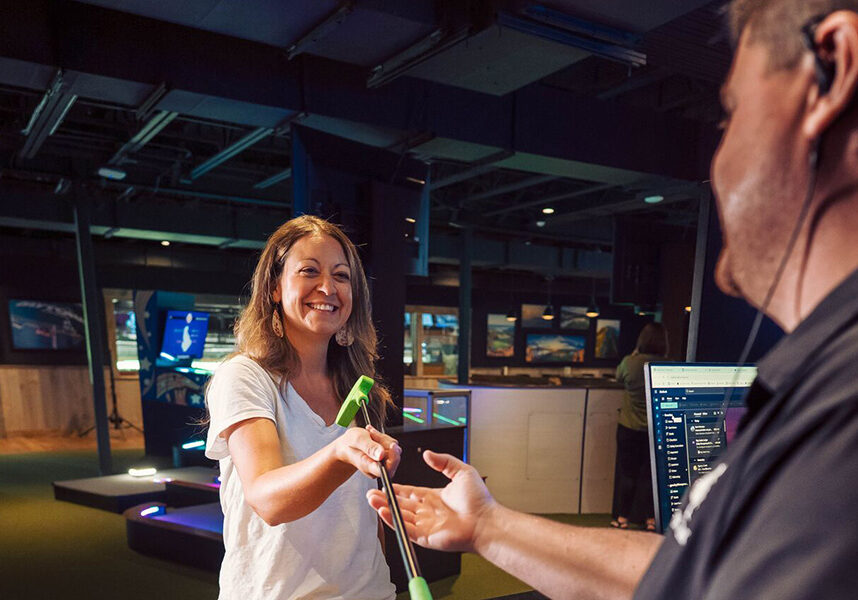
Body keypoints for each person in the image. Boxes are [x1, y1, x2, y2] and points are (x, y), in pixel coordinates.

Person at [368, 1, 858, 598]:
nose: (718, 162)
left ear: (830, 68)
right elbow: (697, 570)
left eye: (732, 113)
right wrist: (490, 527)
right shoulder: (824, 377)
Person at [205, 215, 400, 599]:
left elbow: (365, 512)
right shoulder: (245, 377)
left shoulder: (360, 388)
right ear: (275, 287)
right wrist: (340, 454)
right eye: (309, 271)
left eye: (341, 276)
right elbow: (267, 499)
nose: (327, 287)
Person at [611, 323, 669, 531]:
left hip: (628, 428)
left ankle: (622, 519)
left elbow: (618, 377)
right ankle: (650, 520)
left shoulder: (629, 363)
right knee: (649, 476)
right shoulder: (664, 366)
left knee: (628, 474)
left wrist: (634, 353)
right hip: (655, 430)